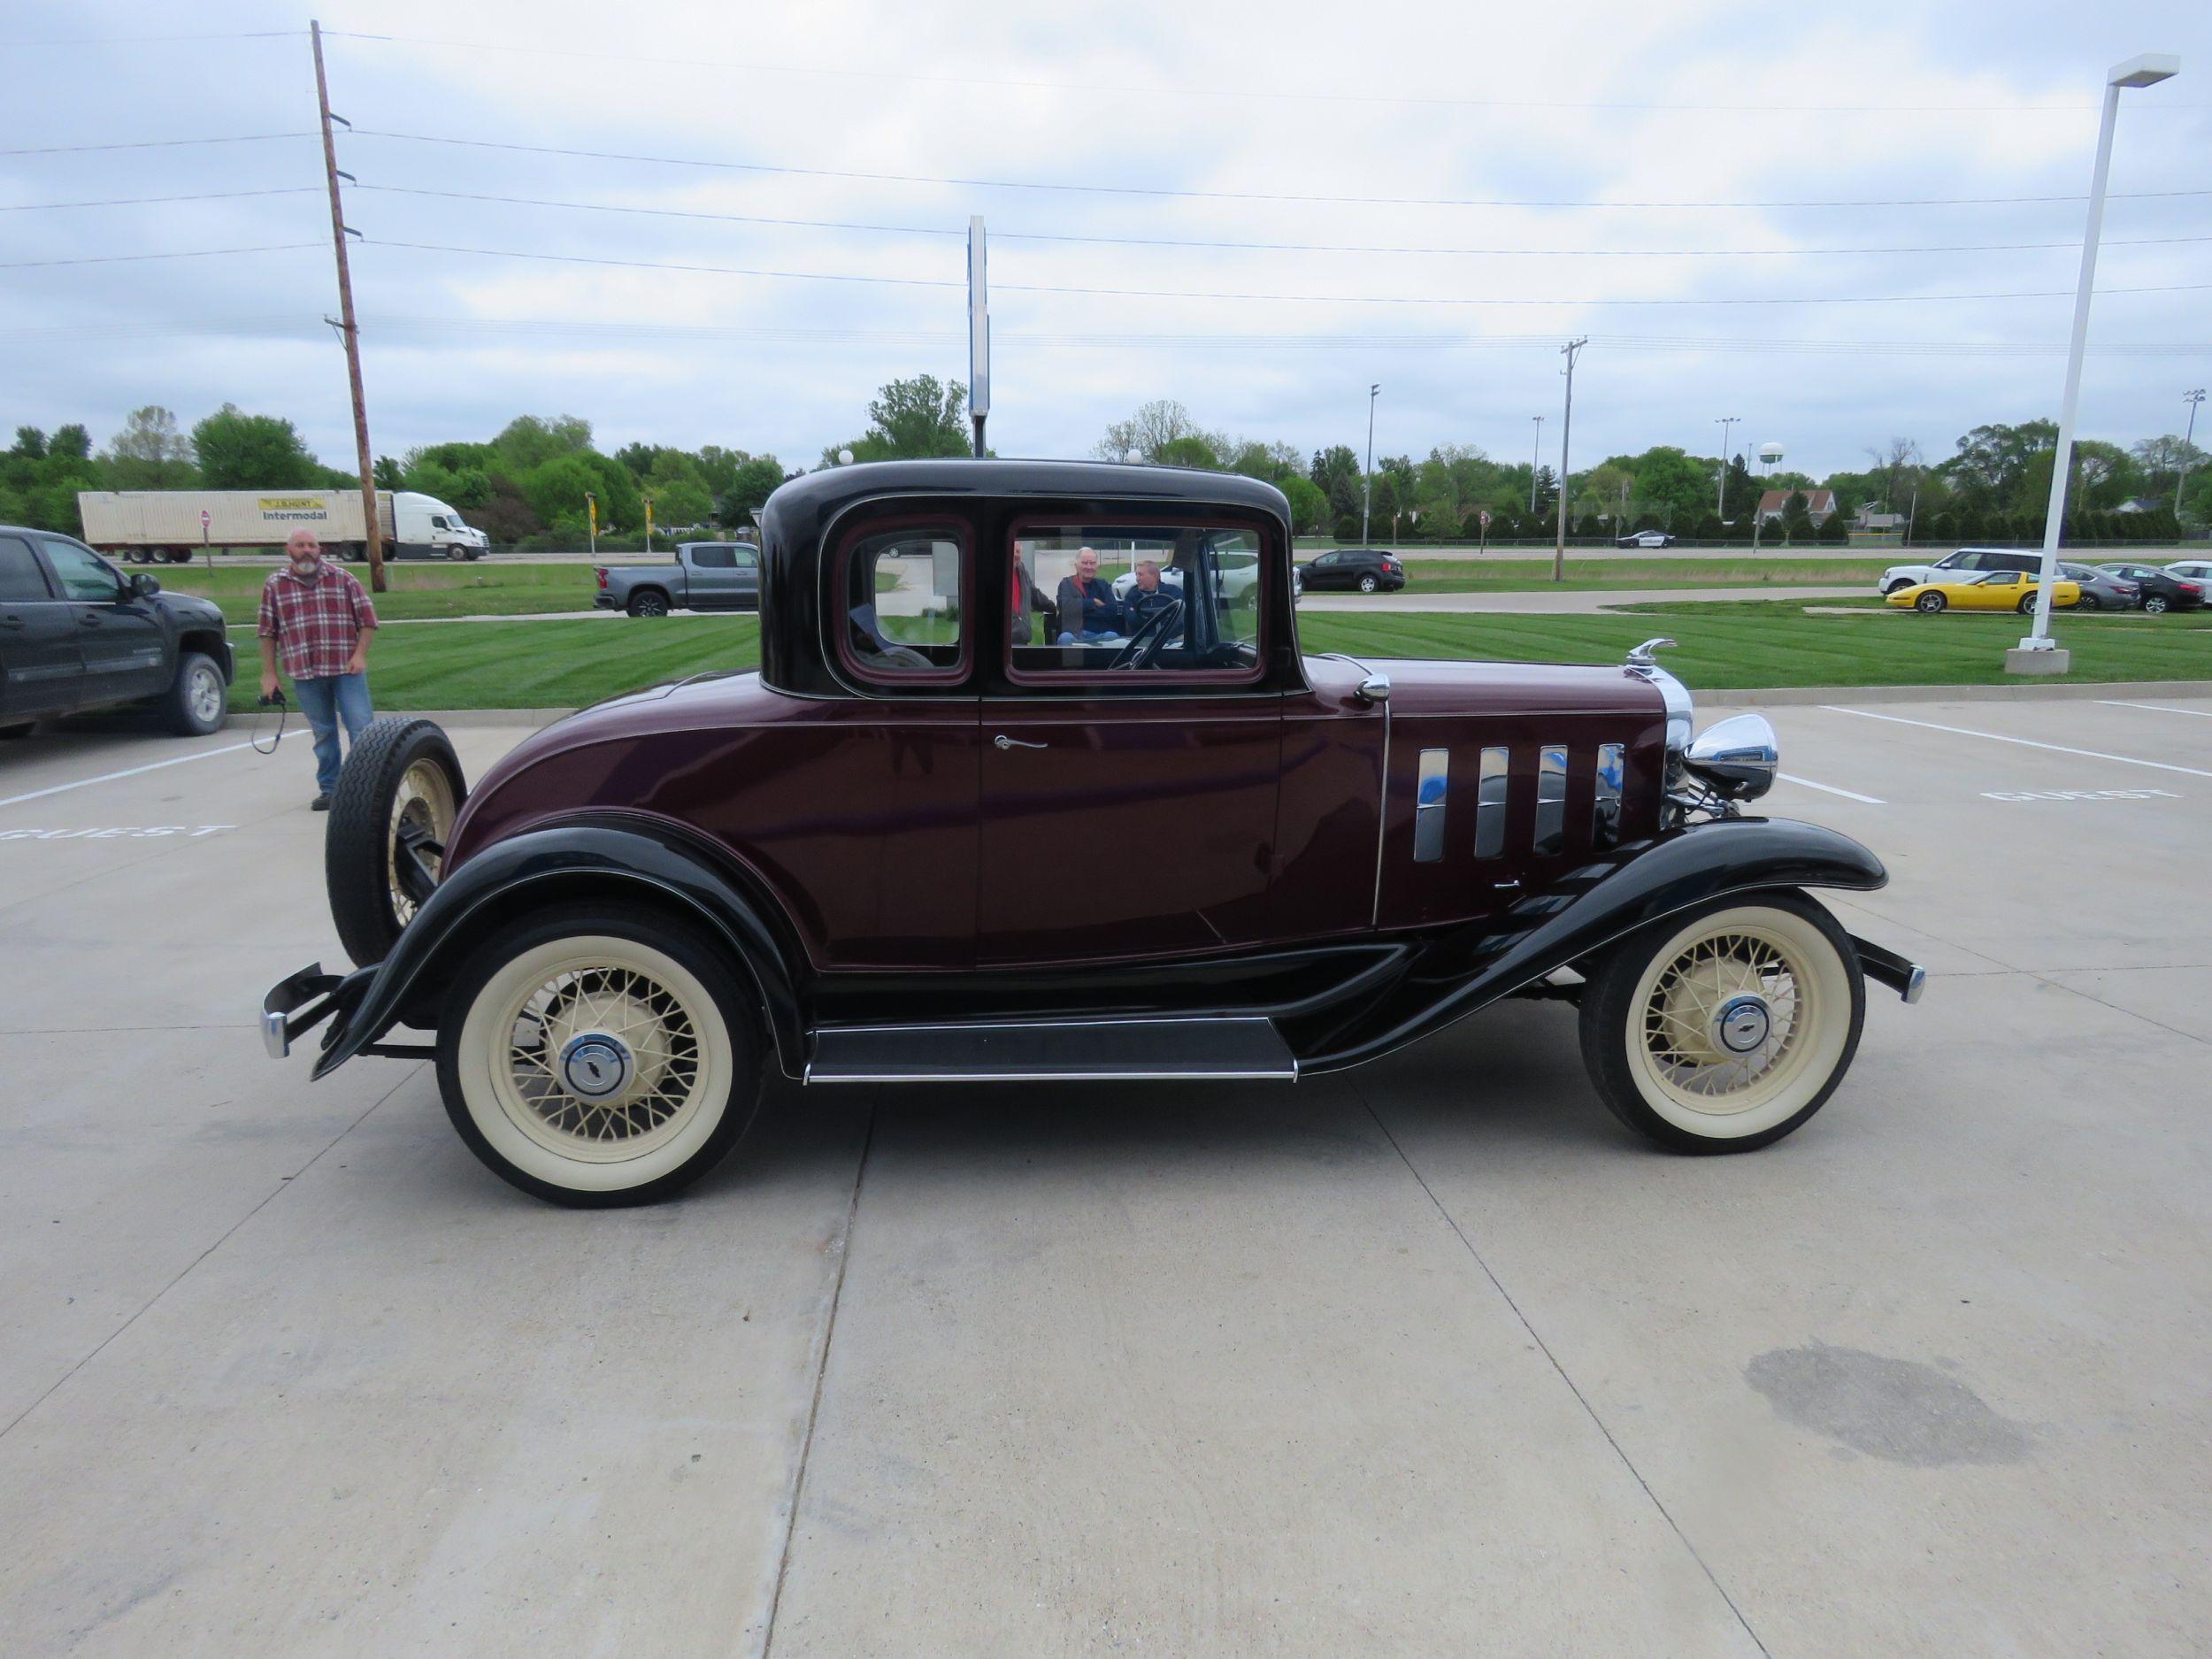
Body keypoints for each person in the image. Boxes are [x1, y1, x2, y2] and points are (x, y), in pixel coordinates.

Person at [257, 527, 379, 810]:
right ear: (289, 551)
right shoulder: (275, 584)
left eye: (312, 545)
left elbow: (368, 621)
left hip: (346, 669)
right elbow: (267, 631)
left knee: (361, 729)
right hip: (305, 672)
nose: (307, 550)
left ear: (320, 549)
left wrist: (359, 655)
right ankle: (330, 789)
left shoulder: (343, 579)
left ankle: (366, 790)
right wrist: (269, 673)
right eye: (300, 545)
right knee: (323, 733)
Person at [1054, 546, 1119, 644]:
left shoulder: (1103, 585)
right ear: (1076, 566)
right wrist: (1093, 602)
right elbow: (1065, 607)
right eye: (1085, 563)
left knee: (1112, 636)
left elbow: (1112, 611)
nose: (1089, 567)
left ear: (1097, 566)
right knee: (1065, 638)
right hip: (1074, 635)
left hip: (1099, 636)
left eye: (1092, 563)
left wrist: (1080, 609)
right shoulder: (1067, 583)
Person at [1121, 557, 1179, 634]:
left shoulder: (1173, 591)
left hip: (1169, 636)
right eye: (1136, 574)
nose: (1137, 579)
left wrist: (1146, 615)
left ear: (1154, 576)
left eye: (1140, 575)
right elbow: (1132, 619)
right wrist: (1161, 616)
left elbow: (1180, 615)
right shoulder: (1132, 595)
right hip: (1141, 639)